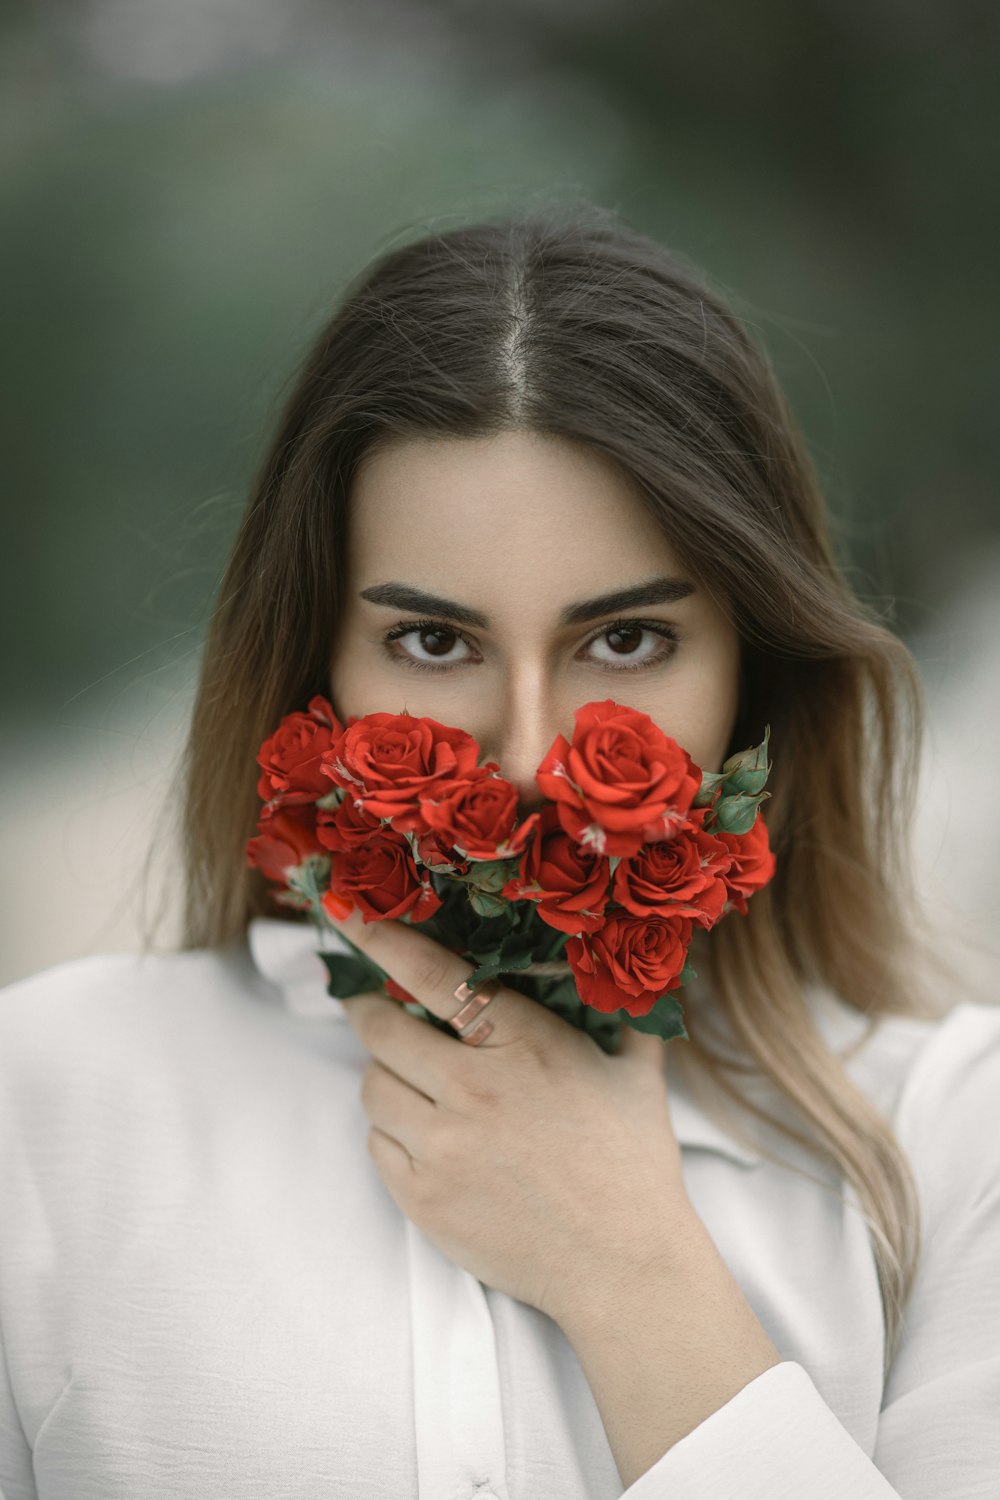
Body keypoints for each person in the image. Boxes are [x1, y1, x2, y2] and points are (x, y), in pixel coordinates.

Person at [0, 204, 997, 1500]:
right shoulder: (46, 1103)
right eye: (433, 643)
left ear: (757, 671)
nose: (528, 754)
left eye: (626, 641)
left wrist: (629, 1269)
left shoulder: (954, 1139)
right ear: (315, 665)